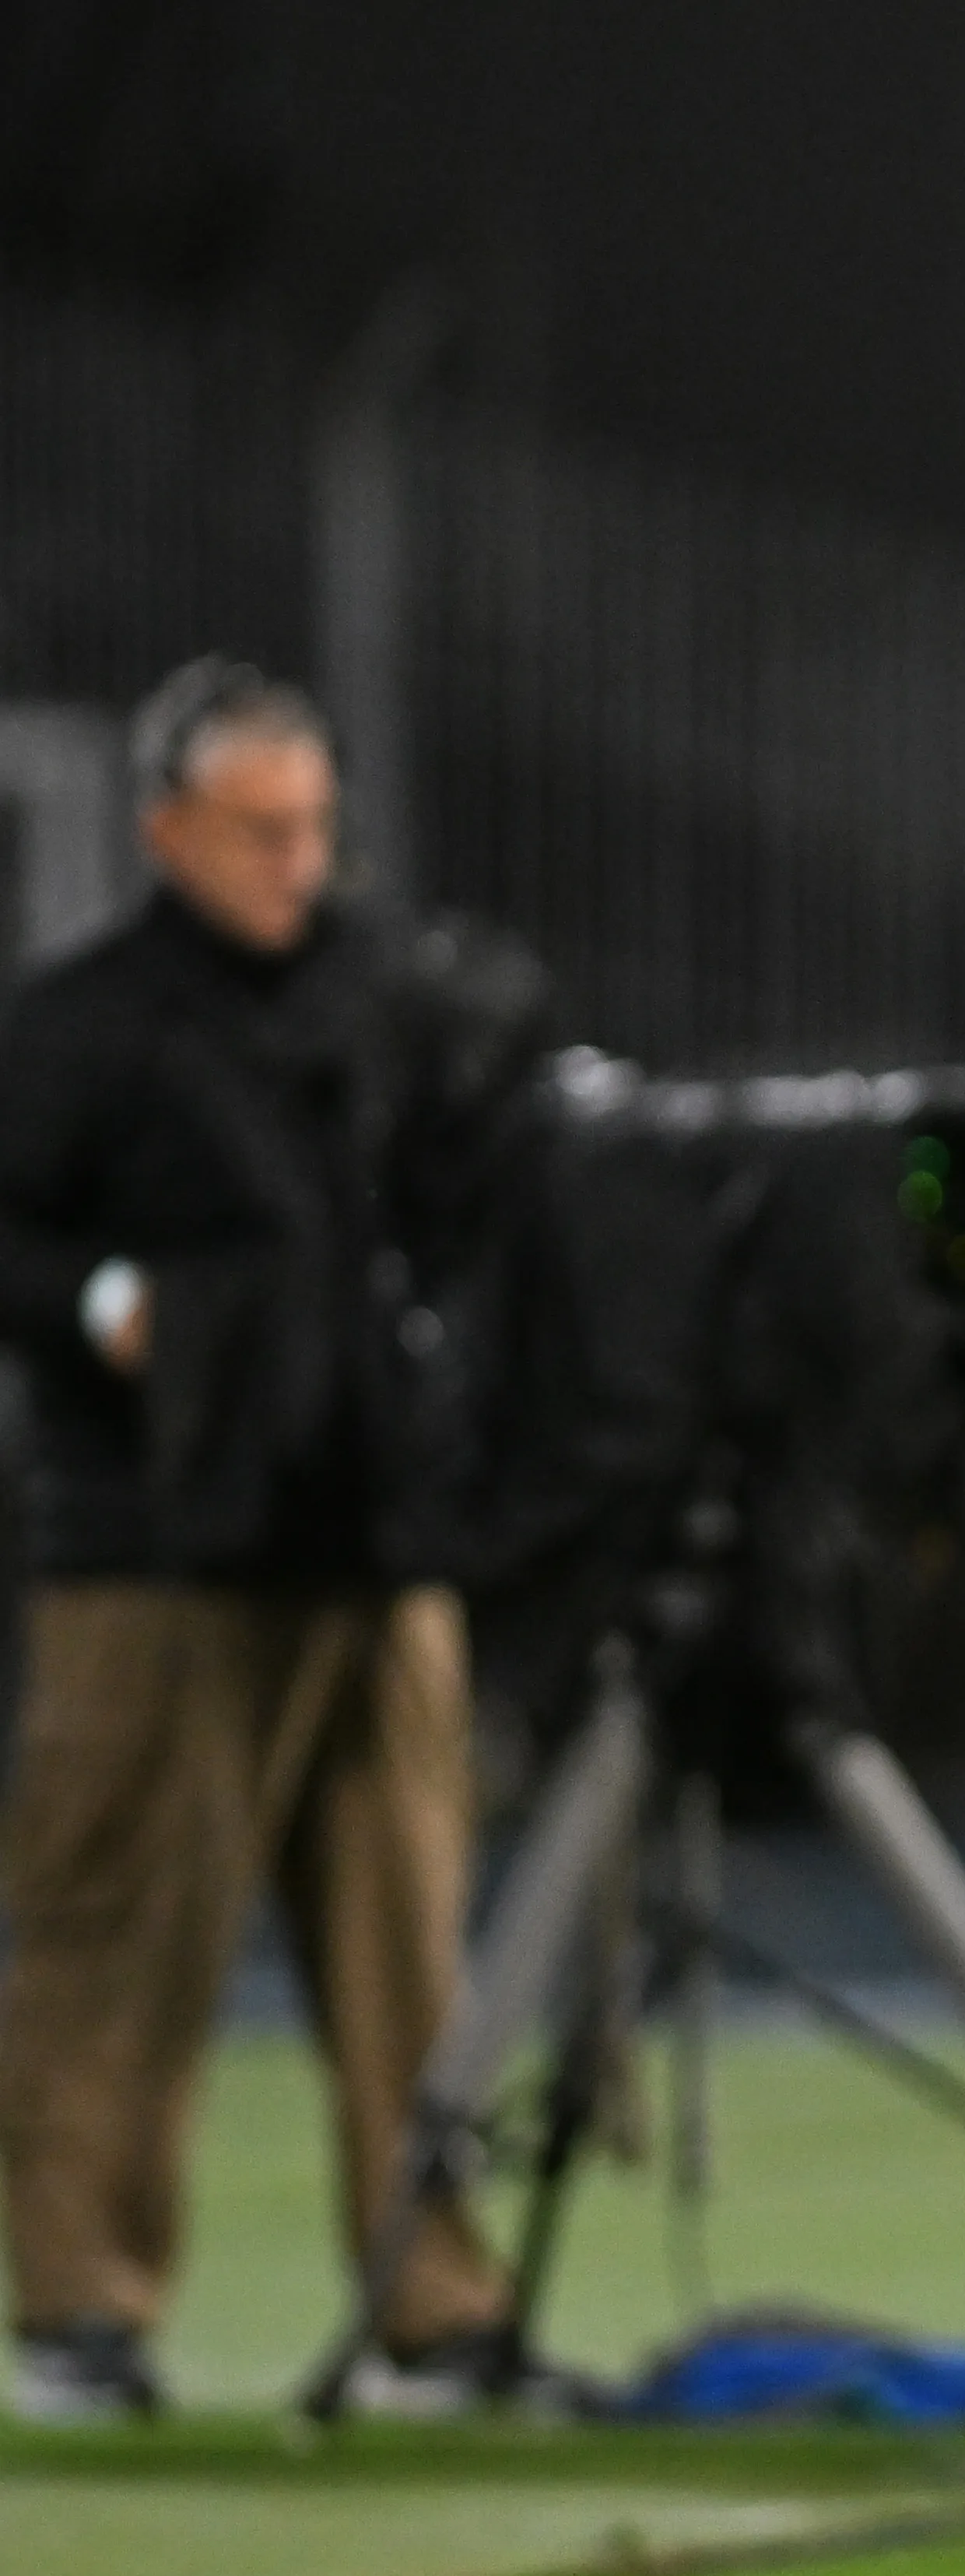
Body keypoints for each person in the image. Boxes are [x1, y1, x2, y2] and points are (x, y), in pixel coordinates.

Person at [0, 660, 519, 2423]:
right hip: (151, 1557)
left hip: (374, 1542)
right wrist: (102, 1303)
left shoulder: (391, 1000)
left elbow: (479, 1205)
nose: (299, 861)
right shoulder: (79, 1024)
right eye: (260, 829)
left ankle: (435, 2310)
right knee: (116, 1940)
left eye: (316, 825)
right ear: (168, 832)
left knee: (414, 1949)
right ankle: (82, 2312)